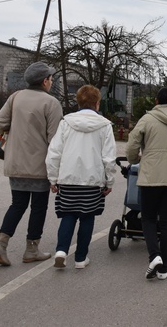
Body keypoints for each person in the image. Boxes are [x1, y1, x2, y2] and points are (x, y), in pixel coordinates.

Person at [0, 61, 64, 266]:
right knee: (38, 207)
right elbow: (55, 139)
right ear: (45, 81)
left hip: (14, 162)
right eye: (50, 78)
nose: (51, 81)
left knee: (17, 204)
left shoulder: (15, 97)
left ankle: (1, 245)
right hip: (39, 165)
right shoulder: (51, 103)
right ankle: (31, 249)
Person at [45, 85, 116, 269]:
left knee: (68, 215)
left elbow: (54, 153)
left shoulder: (65, 123)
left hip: (68, 179)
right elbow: (109, 157)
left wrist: (53, 178)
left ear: (78, 101)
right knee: (87, 217)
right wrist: (109, 181)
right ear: (97, 103)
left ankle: (61, 250)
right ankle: (80, 258)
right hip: (92, 181)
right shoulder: (105, 126)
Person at [127, 87, 167, 280]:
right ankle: (165, 268)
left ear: (156, 101)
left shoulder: (147, 119)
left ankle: (154, 255)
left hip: (151, 176)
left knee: (148, 217)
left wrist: (134, 159)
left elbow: (132, 144)